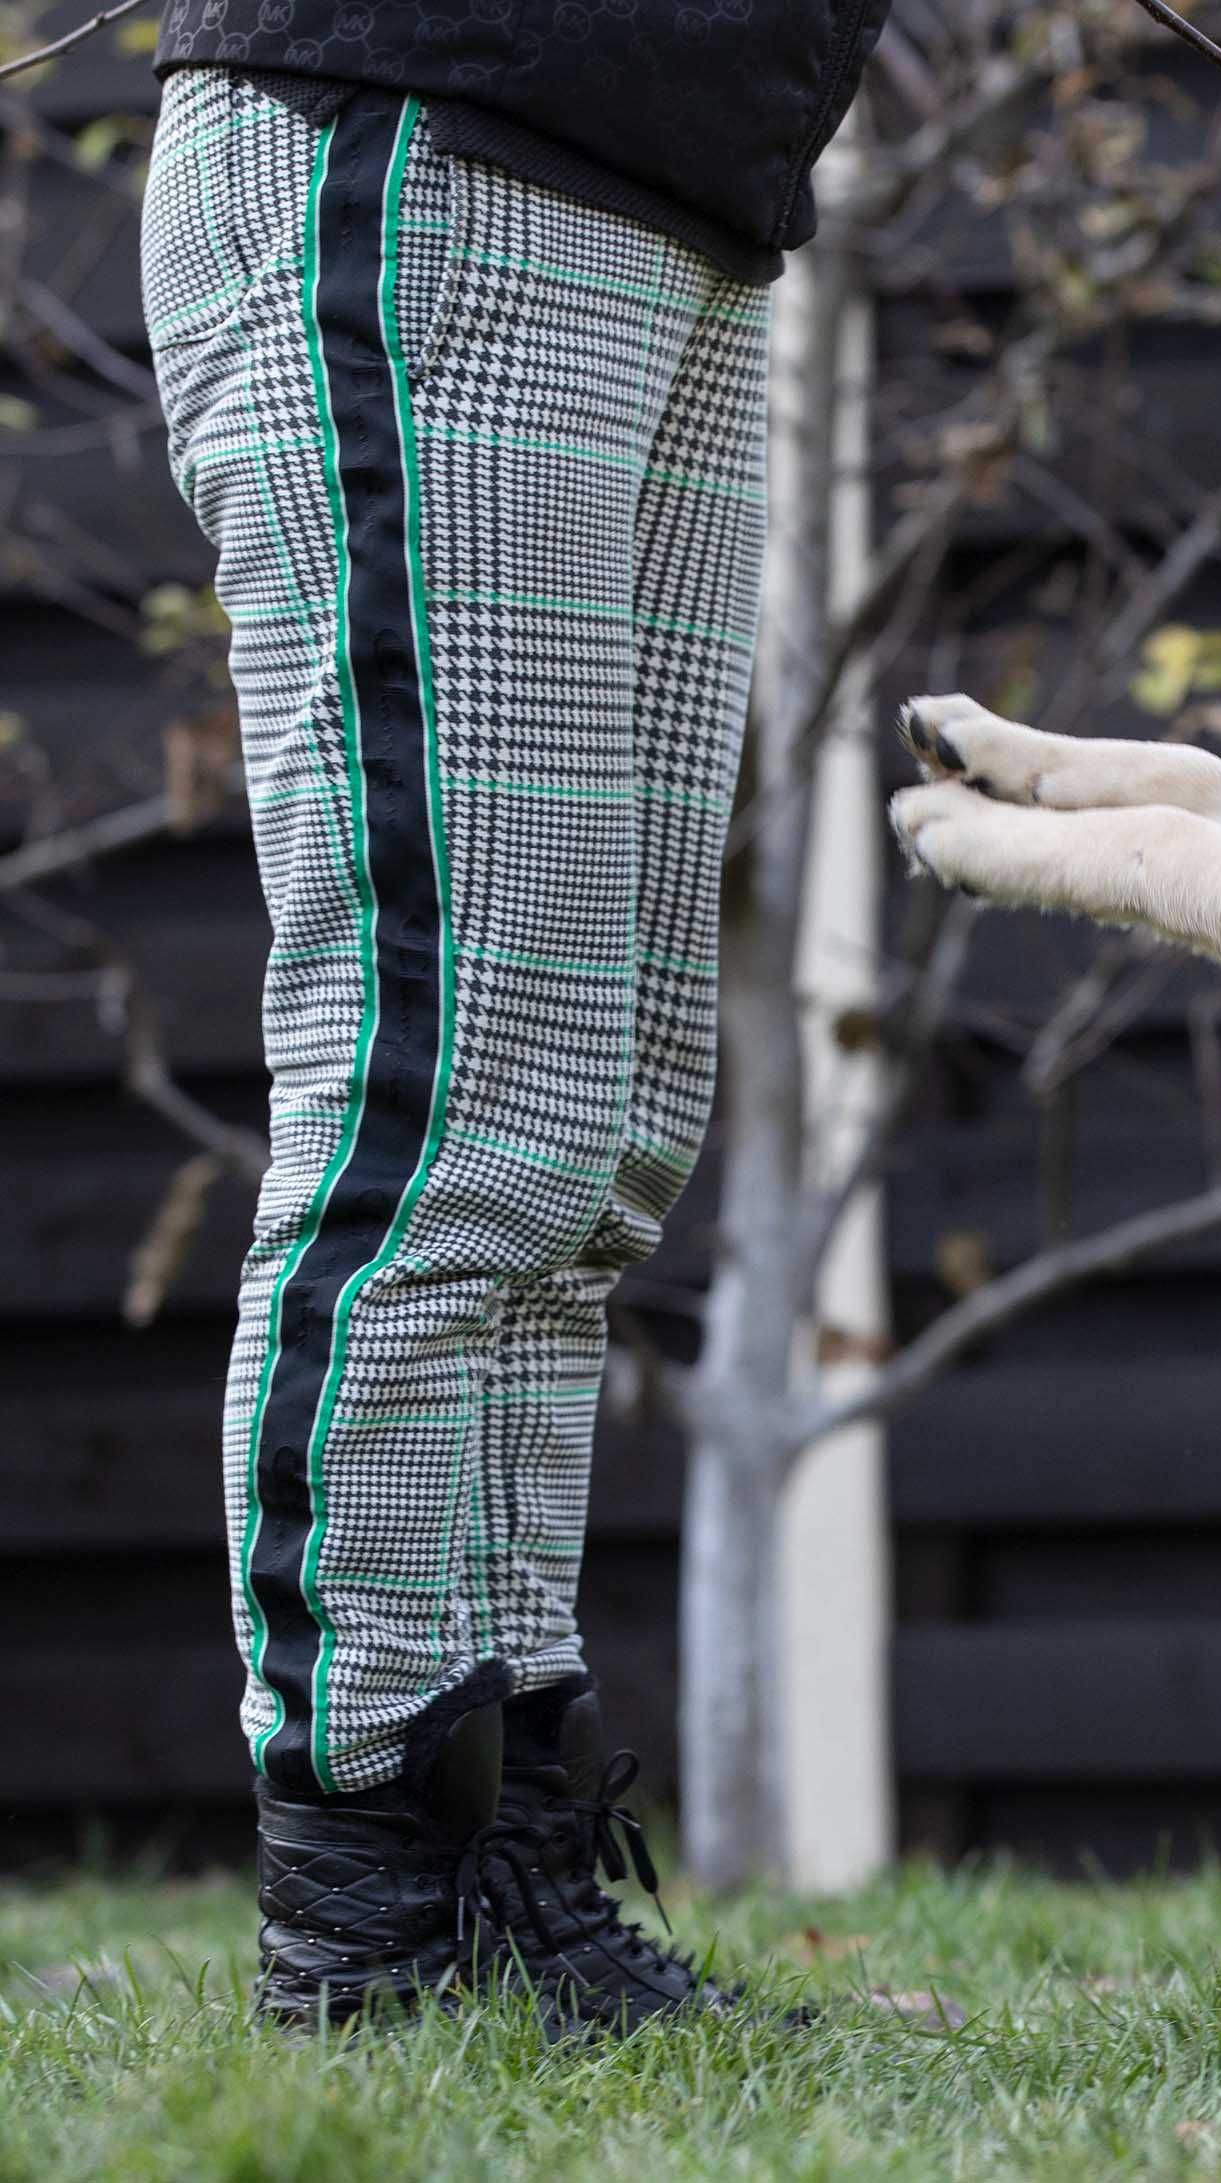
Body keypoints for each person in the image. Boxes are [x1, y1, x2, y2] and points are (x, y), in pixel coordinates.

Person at [139, 0, 889, 2033]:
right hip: (420, 134)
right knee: (439, 1098)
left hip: (682, 196)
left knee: (591, 1135)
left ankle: (511, 1870)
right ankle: (368, 1903)